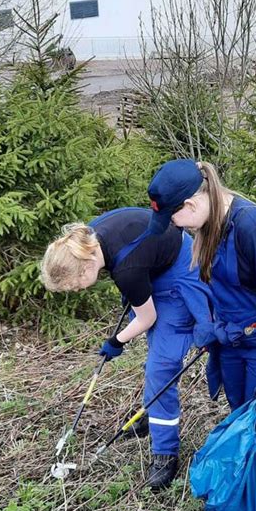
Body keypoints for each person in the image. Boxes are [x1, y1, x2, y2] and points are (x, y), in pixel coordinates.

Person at [146, 160, 256, 453]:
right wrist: (209, 325)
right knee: (240, 414)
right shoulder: (210, 228)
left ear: (190, 204)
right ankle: (242, 485)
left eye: (174, 219)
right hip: (231, 341)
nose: (176, 227)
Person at [41, 207, 212, 489]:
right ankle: (153, 416)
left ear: (85, 266)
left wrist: (116, 341)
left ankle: (165, 453)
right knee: (155, 357)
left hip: (181, 271)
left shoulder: (127, 269)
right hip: (155, 269)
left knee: (162, 367)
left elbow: (148, 317)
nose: (77, 291)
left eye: (74, 286)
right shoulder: (89, 238)